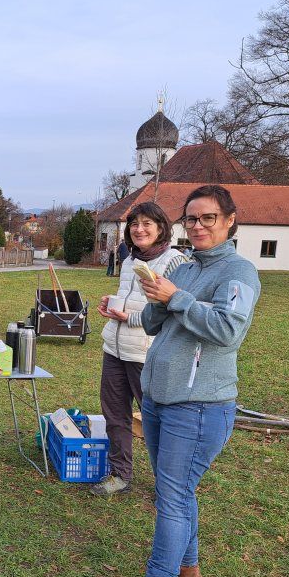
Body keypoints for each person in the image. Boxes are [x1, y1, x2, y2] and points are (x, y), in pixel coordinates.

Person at [113, 185, 260, 577]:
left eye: (208, 218)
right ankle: (190, 567)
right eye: (191, 219)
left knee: (172, 499)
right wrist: (154, 298)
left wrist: (175, 297)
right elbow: (162, 323)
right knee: (179, 489)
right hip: (160, 397)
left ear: (230, 220)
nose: (197, 227)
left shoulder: (239, 272)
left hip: (198, 406)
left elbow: (227, 329)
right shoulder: (189, 266)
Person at [93, 202, 187, 496]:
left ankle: (169, 485)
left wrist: (130, 317)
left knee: (156, 421)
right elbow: (131, 297)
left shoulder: (175, 262)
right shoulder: (129, 260)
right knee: (115, 416)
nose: (139, 229)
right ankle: (120, 474)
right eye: (134, 224)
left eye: (147, 223)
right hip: (115, 350)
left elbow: (175, 310)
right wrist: (113, 302)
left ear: (161, 228)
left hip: (146, 354)